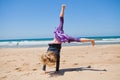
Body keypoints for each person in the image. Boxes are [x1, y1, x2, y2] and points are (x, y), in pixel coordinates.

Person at [41, 4, 95, 74]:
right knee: (77, 39)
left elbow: (61, 19)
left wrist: (53, 70)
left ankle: (91, 40)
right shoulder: (59, 32)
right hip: (55, 43)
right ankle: (91, 40)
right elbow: (61, 19)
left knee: (76, 39)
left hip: (54, 45)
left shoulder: (59, 32)